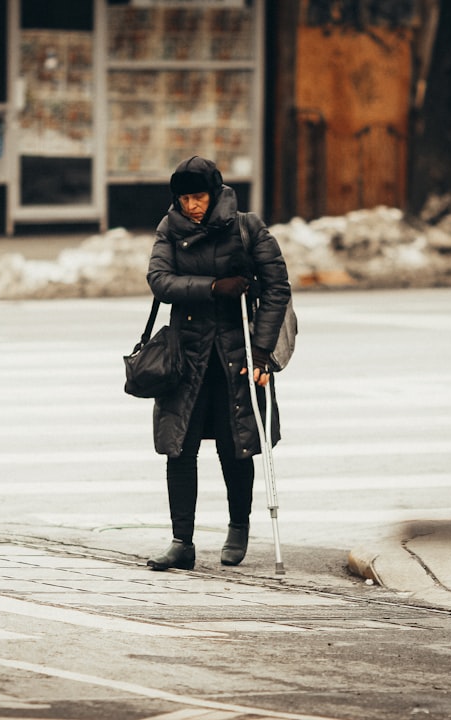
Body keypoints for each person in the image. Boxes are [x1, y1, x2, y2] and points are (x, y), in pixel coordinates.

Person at [145, 156, 291, 570]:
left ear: (215, 193)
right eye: (185, 198)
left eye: (199, 196)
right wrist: (213, 287)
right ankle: (181, 542)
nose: (192, 206)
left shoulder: (248, 227)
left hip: (236, 353)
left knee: (237, 445)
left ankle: (238, 527)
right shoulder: (169, 229)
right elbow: (159, 280)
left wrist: (262, 351)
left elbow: (277, 287)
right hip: (187, 356)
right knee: (179, 448)